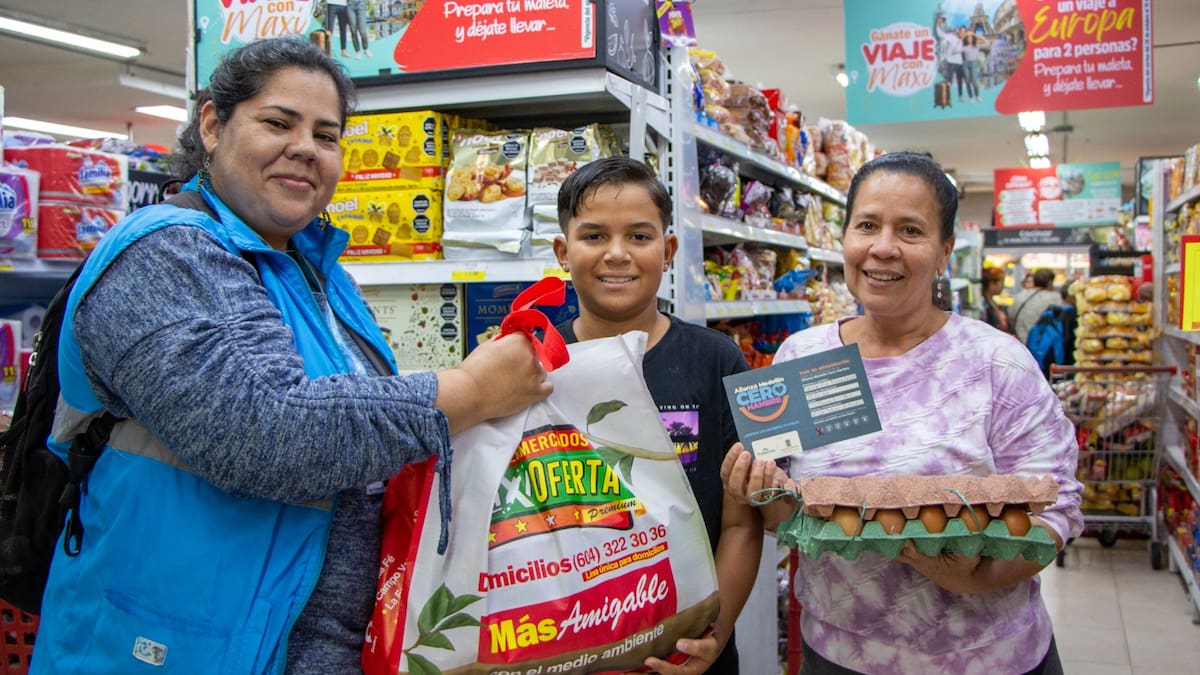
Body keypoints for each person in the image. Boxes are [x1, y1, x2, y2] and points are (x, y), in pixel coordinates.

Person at [32, 37, 551, 673]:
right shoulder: (162, 258)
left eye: (326, 135)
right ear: (214, 125)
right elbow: (262, 429)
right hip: (179, 648)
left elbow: (352, 424)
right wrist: (468, 391)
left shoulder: (317, 270)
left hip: (304, 646)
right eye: (278, 122)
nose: (305, 147)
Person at [721, 152, 1083, 674]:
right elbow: (795, 519)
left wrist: (974, 577)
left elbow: (1057, 507)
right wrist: (760, 495)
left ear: (944, 252)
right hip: (839, 653)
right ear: (844, 237)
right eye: (867, 225)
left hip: (985, 658)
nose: (883, 248)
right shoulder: (803, 356)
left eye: (910, 230)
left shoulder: (996, 360)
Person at [552, 157, 763, 674]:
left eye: (639, 237)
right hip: (564, 643)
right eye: (594, 236)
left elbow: (742, 522)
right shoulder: (528, 363)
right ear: (563, 251)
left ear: (667, 251)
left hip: (688, 650)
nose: (617, 254)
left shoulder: (718, 360)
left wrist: (713, 634)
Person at [1010, 268, 1060, 343]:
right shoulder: (1054, 298)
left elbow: (1011, 316)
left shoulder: (1019, 296)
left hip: (1019, 343)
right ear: (1050, 282)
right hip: (1041, 346)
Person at [980, 265, 1012, 333]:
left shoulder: (992, 303)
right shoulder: (983, 305)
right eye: (1002, 282)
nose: (1003, 285)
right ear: (992, 283)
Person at [961, 34, 981, 101]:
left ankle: (977, 96)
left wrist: (980, 37)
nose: (969, 39)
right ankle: (971, 97)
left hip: (973, 63)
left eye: (971, 38)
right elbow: (956, 49)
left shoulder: (977, 46)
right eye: (968, 38)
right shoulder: (964, 47)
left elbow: (987, 43)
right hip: (965, 64)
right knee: (967, 81)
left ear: (973, 39)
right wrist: (961, 39)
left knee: (974, 81)